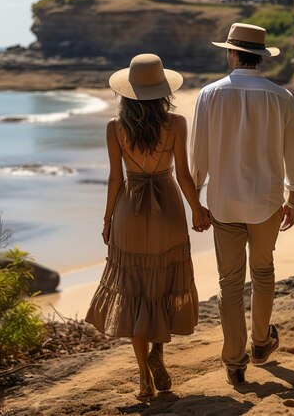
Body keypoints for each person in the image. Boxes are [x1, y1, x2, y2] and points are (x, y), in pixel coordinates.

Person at [86, 53, 210, 400]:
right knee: (163, 281)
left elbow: (114, 179)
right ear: (163, 91)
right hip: (167, 207)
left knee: (135, 288)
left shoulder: (114, 128)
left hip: (129, 207)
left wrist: (108, 218)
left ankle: (143, 377)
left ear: (126, 93)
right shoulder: (176, 123)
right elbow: (184, 175)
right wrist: (198, 209)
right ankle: (158, 349)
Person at [190, 23, 294, 385]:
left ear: (231, 53)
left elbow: (200, 156)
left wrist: (195, 201)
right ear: (259, 57)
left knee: (229, 284)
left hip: (223, 203)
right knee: (263, 273)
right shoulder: (281, 97)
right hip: (267, 202)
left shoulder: (208, 95)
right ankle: (260, 344)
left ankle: (234, 361)